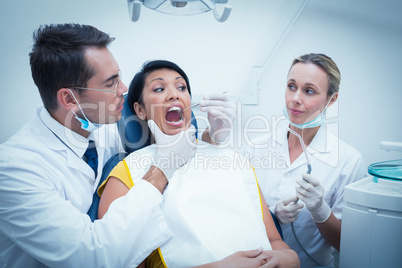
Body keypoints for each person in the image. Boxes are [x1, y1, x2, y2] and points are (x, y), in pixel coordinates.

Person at [0, 23, 235, 267]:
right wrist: (164, 167)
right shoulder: (13, 169)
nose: (123, 89)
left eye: (119, 77)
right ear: (69, 98)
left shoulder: (101, 127)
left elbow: (174, 144)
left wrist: (213, 136)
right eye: (111, 83)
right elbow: (90, 256)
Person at [98, 60, 300, 267]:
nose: (174, 94)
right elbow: (114, 259)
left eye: (181, 87)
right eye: (159, 88)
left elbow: (275, 240)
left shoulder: (234, 160)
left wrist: (290, 257)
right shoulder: (127, 172)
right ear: (140, 110)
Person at [244, 53, 366, 267]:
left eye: (309, 91)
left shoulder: (348, 160)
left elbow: (348, 246)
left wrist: (321, 211)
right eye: (292, 86)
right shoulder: (256, 147)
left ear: (332, 99)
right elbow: (236, 214)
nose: (295, 98)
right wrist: (272, 215)